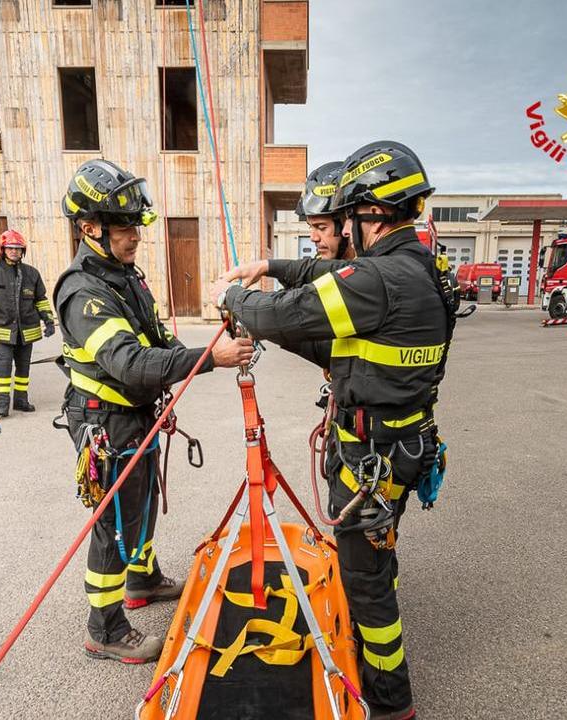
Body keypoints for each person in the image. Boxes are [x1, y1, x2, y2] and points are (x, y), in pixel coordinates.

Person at [209, 141, 454, 720]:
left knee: (366, 583)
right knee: (375, 560)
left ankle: (391, 702)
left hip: (373, 454)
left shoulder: (380, 280)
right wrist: (269, 267)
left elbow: (285, 314)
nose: (337, 229)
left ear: (367, 214)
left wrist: (234, 298)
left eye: (342, 217)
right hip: (401, 444)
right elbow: (328, 273)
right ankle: (376, 648)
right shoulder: (416, 266)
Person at [54, 159, 254, 663]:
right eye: (123, 226)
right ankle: (104, 628)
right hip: (105, 418)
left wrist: (213, 335)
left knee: (141, 502)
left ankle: (141, 580)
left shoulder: (124, 276)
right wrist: (213, 358)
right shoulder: (83, 291)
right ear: (89, 228)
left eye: (135, 224)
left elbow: (158, 341)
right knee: (114, 520)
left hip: (135, 414)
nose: (134, 234)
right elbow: (129, 362)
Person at [0, 229, 55, 416]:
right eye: (10, 248)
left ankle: (21, 400)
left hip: (27, 330)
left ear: (23, 251)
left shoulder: (32, 274)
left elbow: (41, 299)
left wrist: (49, 321)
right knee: (3, 366)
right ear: (3, 250)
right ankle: (2, 404)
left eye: (18, 249)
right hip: (2, 329)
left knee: (23, 367)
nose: (14, 252)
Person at [298, 161, 355, 262]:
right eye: (310, 227)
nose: (313, 238)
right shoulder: (315, 267)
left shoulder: (373, 271)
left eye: (321, 228)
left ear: (349, 223)